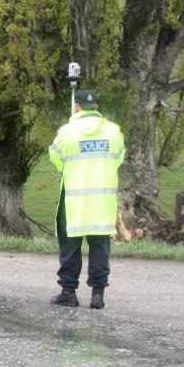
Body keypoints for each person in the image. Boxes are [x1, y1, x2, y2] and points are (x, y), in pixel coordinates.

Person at [48, 89, 125, 309]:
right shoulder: (113, 131)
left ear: (77, 107)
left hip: (75, 201)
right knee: (100, 246)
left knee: (70, 246)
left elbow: (57, 160)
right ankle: (98, 295)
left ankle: (69, 292)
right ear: (95, 107)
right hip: (103, 202)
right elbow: (118, 159)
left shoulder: (67, 132)